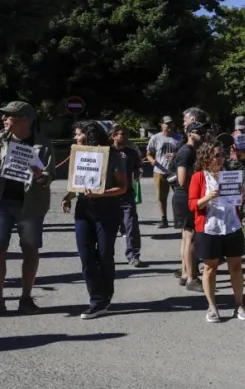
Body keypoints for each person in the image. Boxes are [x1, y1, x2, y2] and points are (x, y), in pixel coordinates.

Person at [61, 121, 128, 319]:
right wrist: (68, 197)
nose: (75, 137)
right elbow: (77, 183)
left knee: (105, 255)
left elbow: (123, 187)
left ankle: (106, 294)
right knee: (86, 256)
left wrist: (102, 194)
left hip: (107, 209)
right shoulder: (78, 156)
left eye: (78, 134)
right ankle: (96, 300)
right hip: (84, 210)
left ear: (89, 136)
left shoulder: (113, 156)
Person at [188, 141, 245, 323]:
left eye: (222, 155)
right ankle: (212, 307)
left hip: (231, 226)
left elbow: (238, 203)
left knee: (236, 267)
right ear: (206, 157)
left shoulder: (229, 175)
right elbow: (192, 204)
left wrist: (242, 194)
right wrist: (208, 197)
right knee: (210, 267)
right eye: (217, 155)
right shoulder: (199, 177)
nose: (221, 158)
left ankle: (239, 305)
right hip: (209, 227)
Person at [0, 101, 54, 314]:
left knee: (30, 250)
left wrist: (41, 176)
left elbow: (50, 177)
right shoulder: (1, 141)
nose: (4, 119)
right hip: (2, 203)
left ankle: (25, 297)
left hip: (31, 206)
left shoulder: (43, 144)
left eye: (8, 116)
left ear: (24, 120)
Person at [172, 122, 204, 292]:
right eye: (198, 132)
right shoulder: (186, 152)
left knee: (186, 237)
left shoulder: (191, 151)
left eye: (203, 131)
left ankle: (185, 274)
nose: (202, 134)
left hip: (185, 197)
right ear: (189, 134)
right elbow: (183, 180)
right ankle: (192, 278)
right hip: (185, 197)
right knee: (190, 238)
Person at [110, 124, 143, 267]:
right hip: (109, 195)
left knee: (131, 225)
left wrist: (137, 175)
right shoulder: (107, 152)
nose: (125, 137)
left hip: (127, 194)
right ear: (114, 136)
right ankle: (105, 256)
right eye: (122, 134)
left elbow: (137, 169)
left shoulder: (132, 152)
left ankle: (133, 255)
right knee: (108, 228)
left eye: (126, 134)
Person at [146, 116, 180, 228]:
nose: (169, 126)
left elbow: (183, 152)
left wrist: (175, 155)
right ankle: (163, 219)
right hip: (160, 171)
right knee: (161, 197)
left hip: (175, 172)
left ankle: (178, 219)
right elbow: (149, 154)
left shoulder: (179, 138)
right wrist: (152, 161)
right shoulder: (155, 138)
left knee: (179, 196)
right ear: (161, 125)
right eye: (167, 124)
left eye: (171, 123)